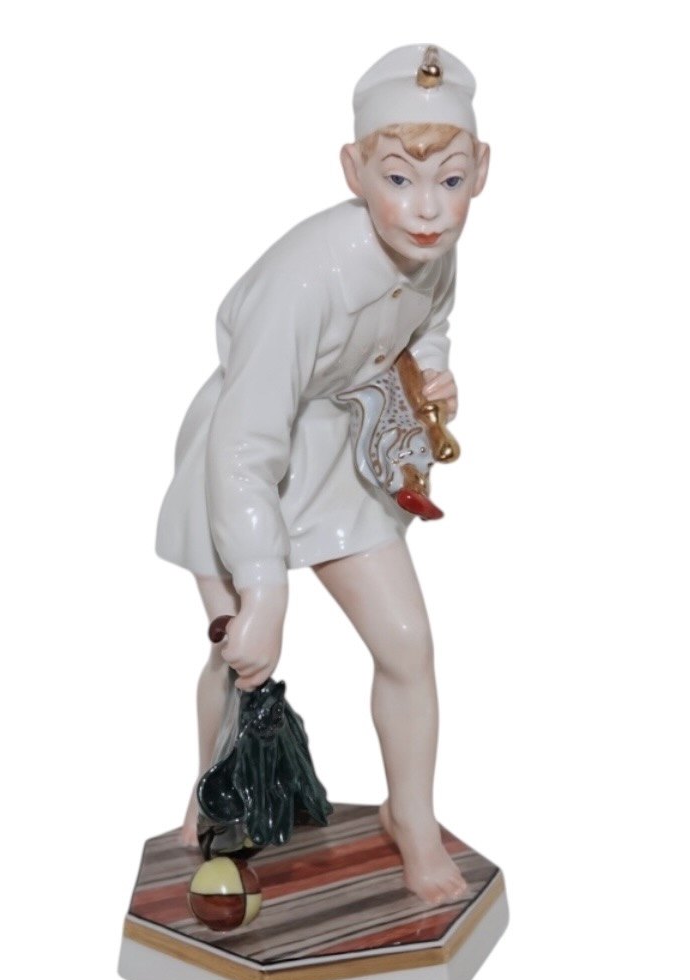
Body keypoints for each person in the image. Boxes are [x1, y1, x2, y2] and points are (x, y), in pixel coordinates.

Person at [155, 44, 490, 904]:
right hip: (242, 462)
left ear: (482, 173)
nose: (428, 209)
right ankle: (212, 800)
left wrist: (430, 372)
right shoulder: (306, 278)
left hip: (338, 451)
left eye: (451, 180)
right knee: (240, 651)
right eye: (399, 179)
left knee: (406, 643)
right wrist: (264, 588)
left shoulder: (433, 249)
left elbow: (428, 322)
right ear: (354, 172)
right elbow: (246, 442)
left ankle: (411, 816)